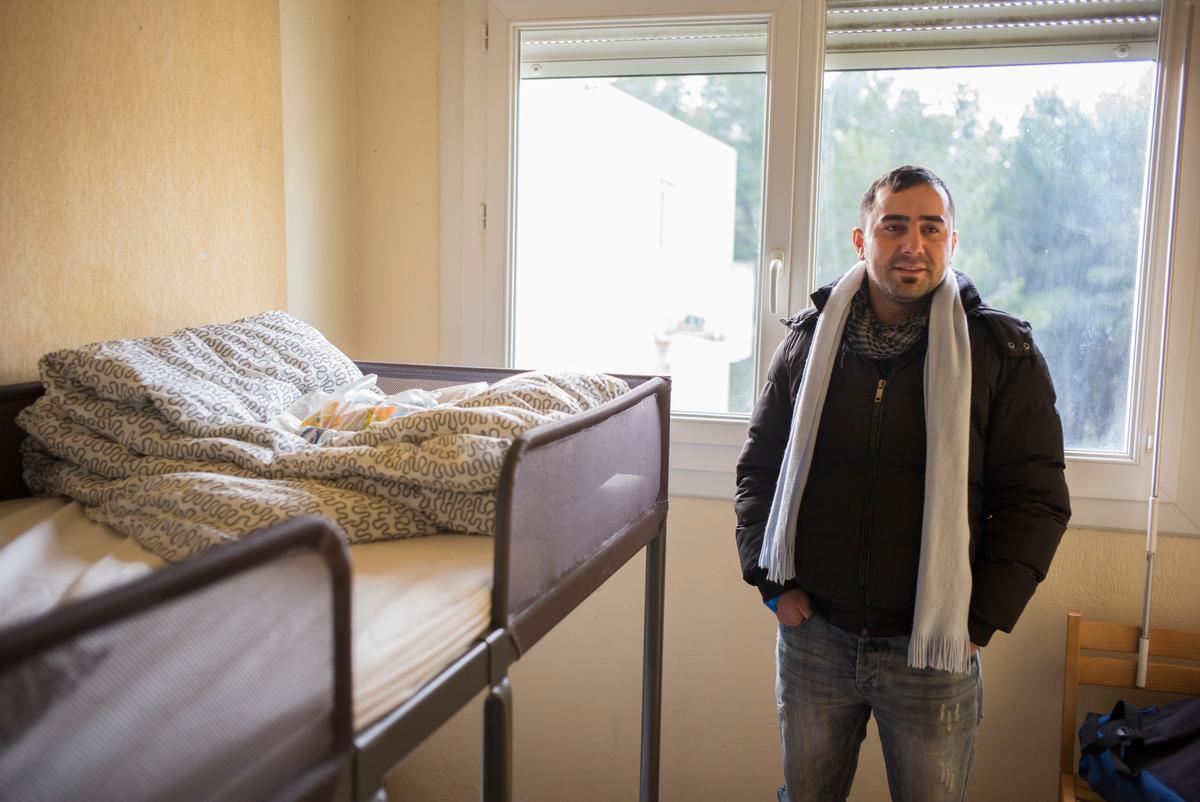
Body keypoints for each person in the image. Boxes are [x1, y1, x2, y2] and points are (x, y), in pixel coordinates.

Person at [734, 165, 1071, 802]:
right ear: (862, 240)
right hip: (816, 637)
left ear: (951, 241)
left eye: (930, 228)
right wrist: (771, 583)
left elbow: (1035, 501)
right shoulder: (808, 343)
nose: (913, 244)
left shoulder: (1000, 354)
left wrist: (979, 620)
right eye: (894, 227)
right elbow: (760, 468)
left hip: (933, 649)